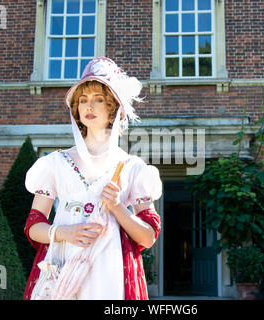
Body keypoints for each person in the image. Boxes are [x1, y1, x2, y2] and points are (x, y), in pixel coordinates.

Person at [22, 57, 162, 300]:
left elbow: (148, 237)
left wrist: (118, 208)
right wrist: (64, 233)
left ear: (113, 109)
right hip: (62, 266)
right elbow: (33, 226)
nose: (89, 106)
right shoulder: (54, 163)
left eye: (99, 99)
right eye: (83, 100)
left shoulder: (132, 167)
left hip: (111, 273)